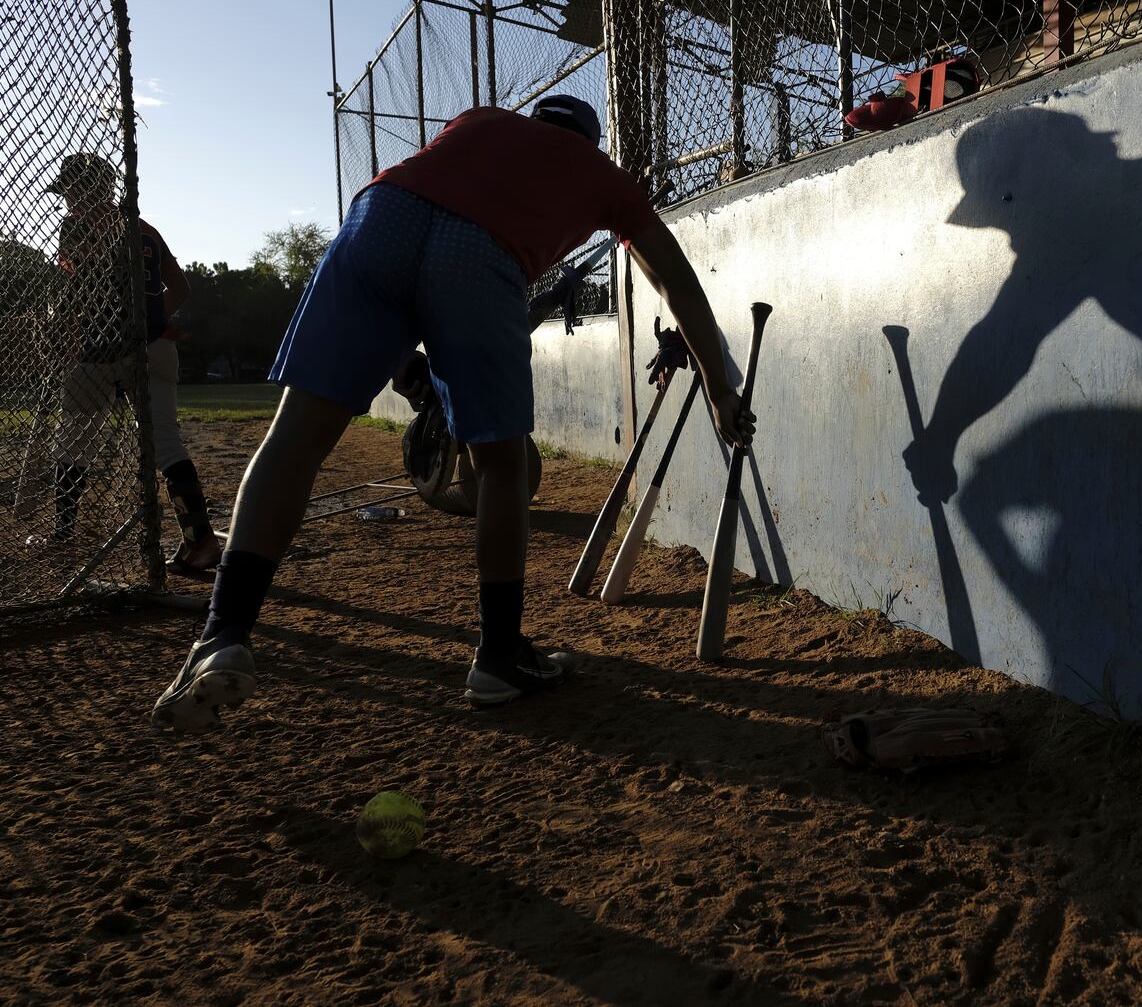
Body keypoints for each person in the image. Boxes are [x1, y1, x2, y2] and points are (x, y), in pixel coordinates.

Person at [151, 96, 755, 734]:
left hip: (380, 218)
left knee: (296, 438)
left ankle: (222, 633)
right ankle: (498, 657)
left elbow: (439, 206)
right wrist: (719, 387)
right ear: (587, 138)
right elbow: (676, 282)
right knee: (501, 467)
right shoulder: (601, 173)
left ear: (536, 119)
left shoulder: (480, 120)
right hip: (479, 256)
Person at [37, 153, 224, 571]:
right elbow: (180, 286)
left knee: (74, 440)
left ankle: (64, 537)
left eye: (69, 191)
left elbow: (77, 291)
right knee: (167, 444)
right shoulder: (145, 229)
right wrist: (154, 322)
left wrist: (65, 341)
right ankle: (201, 542)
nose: (67, 201)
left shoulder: (76, 224)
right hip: (152, 348)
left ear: (84, 190)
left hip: (97, 349)